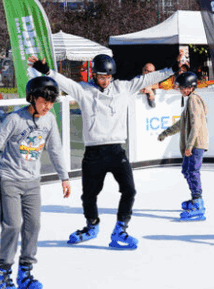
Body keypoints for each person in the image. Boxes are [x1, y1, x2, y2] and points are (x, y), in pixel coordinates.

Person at [30, 52, 180, 250]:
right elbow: (65, 83)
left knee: (129, 190)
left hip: (117, 150)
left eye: (108, 77)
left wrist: (172, 69)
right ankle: (92, 225)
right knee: (89, 195)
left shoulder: (123, 88)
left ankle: (120, 229)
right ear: (94, 75)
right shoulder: (84, 90)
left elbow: (147, 78)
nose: (105, 81)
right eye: (102, 77)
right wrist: (48, 72)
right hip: (93, 152)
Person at [0, 76, 71, 289]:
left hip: (32, 182)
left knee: (34, 225)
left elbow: (55, 149)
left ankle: (25, 273)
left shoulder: (49, 120)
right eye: (43, 101)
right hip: (9, 179)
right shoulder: (14, 119)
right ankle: (3, 273)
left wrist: (64, 177)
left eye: (51, 102)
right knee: (13, 225)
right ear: (32, 98)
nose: (47, 106)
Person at [157, 71, 209, 220]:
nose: (179, 90)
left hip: (195, 144)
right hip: (193, 144)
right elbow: (182, 123)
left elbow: (196, 124)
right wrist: (165, 133)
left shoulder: (193, 100)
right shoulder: (190, 100)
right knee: (187, 170)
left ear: (189, 87)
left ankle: (198, 203)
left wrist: (189, 145)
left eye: (181, 87)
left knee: (192, 171)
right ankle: (195, 199)